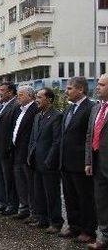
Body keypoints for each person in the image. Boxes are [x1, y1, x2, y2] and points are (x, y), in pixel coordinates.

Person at [59, 77, 96, 243]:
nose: (66, 91)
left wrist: (88, 161)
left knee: (85, 198)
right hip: (66, 162)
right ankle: (74, 226)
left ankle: (88, 230)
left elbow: (90, 136)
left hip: (81, 163)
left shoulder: (90, 108)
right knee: (70, 197)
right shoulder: (69, 109)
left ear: (80, 90)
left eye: (69, 88)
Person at [27, 88, 63, 233]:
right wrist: (30, 155)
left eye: (40, 97)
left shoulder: (56, 116)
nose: (37, 99)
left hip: (48, 163)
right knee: (39, 192)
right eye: (36, 97)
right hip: (36, 161)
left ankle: (55, 222)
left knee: (52, 194)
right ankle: (42, 219)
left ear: (49, 100)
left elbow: (56, 141)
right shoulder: (37, 116)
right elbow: (32, 138)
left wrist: (49, 160)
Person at [85, 73, 108, 250]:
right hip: (98, 162)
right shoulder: (96, 108)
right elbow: (89, 136)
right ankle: (104, 237)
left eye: (101, 84)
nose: (97, 87)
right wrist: (88, 161)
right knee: (101, 201)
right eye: (98, 84)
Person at [0, 82, 21, 215]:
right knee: (0, 178)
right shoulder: (3, 106)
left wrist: (9, 147)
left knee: (9, 179)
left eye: (2, 90)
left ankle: (12, 204)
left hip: (7, 150)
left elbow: (14, 129)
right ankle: (3, 202)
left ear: (10, 92)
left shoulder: (15, 106)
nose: (0, 93)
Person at [11, 86, 39, 220]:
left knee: (29, 183)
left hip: (27, 153)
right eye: (18, 95)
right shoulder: (20, 110)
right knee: (20, 182)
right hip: (17, 151)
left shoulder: (34, 110)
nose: (18, 97)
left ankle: (33, 212)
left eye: (21, 95)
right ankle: (24, 208)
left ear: (30, 96)